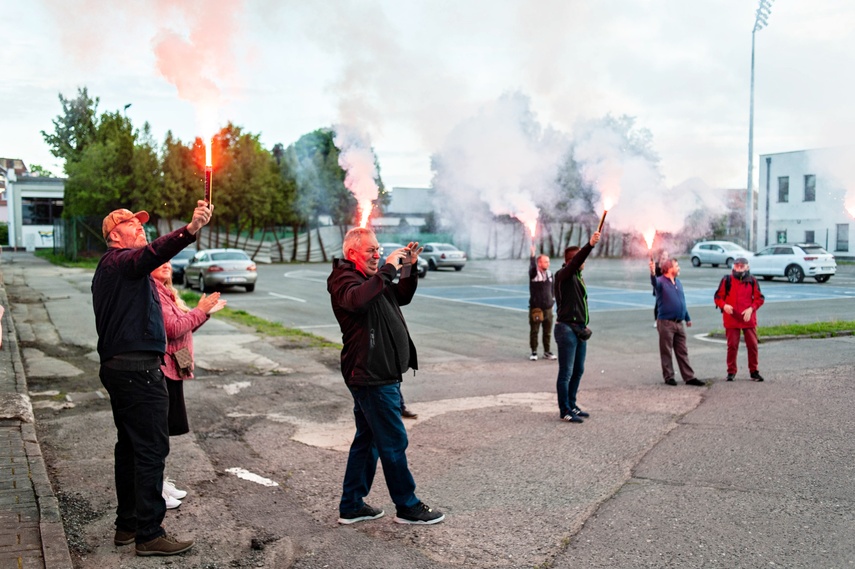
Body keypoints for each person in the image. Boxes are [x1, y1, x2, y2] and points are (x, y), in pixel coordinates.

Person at [92, 203, 211, 556]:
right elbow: (150, 255)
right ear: (115, 235)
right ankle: (149, 533)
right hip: (137, 370)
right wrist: (189, 230)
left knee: (129, 447)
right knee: (150, 450)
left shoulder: (118, 270)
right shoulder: (120, 262)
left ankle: (127, 525)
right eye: (131, 224)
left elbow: (149, 262)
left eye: (140, 223)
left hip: (123, 368)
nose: (139, 228)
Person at [327, 227, 444, 525]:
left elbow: (402, 296)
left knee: (369, 440)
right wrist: (389, 268)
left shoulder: (372, 279)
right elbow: (357, 301)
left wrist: (409, 267)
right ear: (352, 253)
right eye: (371, 250)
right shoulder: (344, 278)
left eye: (378, 249)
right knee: (392, 440)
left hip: (379, 372)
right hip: (370, 374)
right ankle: (407, 505)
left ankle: (352, 504)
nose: (377, 254)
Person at [151, 262, 226, 508]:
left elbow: (185, 327)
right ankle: (155, 488)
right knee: (158, 433)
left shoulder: (166, 292)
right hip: (164, 369)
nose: (167, 265)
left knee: (165, 430)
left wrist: (205, 312)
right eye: (161, 261)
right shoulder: (154, 292)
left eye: (169, 263)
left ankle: (159, 482)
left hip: (173, 367)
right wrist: (201, 310)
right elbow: (173, 329)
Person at [553, 231, 601, 423]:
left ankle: (572, 404)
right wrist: (589, 245)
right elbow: (574, 264)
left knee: (578, 370)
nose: (584, 262)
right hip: (566, 329)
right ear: (573, 260)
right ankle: (564, 409)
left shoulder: (577, 277)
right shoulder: (563, 274)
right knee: (566, 372)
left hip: (579, 329)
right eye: (582, 258)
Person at [649, 258, 704, 387]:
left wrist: (687, 317)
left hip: (679, 322)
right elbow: (654, 283)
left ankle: (689, 377)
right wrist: (652, 273)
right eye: (676, 265)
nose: (679, 268)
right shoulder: (661, 282)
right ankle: (669, 377)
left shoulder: (678, 282)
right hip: (666, 323)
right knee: (666, 351)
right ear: (669, 268)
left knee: (682, 351)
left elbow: (682, 301)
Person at [713, 257, 766, 382]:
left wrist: (751, 308)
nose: (739, 268)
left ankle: (754, 371)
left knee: (752, 345)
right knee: (732, 346)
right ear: (733, 267)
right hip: (731, 318)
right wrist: (724, 306)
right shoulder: (727, 280)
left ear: (747, 267)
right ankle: (731, 372)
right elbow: (718, 297)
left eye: (742, 266)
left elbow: (760, 299)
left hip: (748, 318)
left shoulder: (752, 280)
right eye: (737, 265)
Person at [529, 245, 556, 361]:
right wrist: (532, 255)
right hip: (536, 308)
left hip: (548, 308)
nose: (548, 264)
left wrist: (553, 300)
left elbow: (553, 289)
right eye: (545, 262)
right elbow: (532, 267)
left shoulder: (550, 274)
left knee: (547, 331)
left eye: (548, 262)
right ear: (539, 263)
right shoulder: (534, 275)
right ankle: (534, 352)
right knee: (535, 330)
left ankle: (547, 351)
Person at [651, 250, 670, 326]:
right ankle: (656, 320)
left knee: (668, 304)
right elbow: (654, 275)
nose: (664, 256)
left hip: (667, 288)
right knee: (658, 304)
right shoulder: (656, 265)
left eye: (666, 255)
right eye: (663, 255)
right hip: (659, 287)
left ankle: (666, 319)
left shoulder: (669, 265)